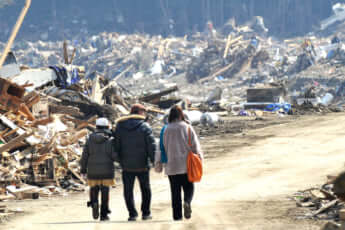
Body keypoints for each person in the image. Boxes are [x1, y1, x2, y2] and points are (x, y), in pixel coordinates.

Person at [155, 105, 203, 221]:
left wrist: (158, 164)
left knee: (175, 191)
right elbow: (195, 146)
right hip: (186, 165)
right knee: (189, 187)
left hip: (171, 166)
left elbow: (160, 148)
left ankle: (177, 216)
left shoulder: (165, 129)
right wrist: (200, 159)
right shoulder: (187, 127)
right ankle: (187, 201)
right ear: (181, 115)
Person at [114, 104, 156, 221]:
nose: (145, 114)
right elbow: (151, 146)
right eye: (144, 112)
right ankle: (146, 213)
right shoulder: (145, 127)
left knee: (128, 190)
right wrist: (154, 161)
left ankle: (132, 214)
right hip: (142, 165)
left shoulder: (120, 126)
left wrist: (120, 161)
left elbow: (115, 147)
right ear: (139, 112)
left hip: (126, 166)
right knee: (145, 189)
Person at [80, 117, 116, 221]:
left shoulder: (89, 139)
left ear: (96, 127)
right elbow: (114, 156)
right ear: (107, 127)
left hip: (92, 170)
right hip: (107, 170)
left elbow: (84, 156)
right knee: (105, 191)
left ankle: (94, 202)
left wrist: (83, 169)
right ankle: (104, 214)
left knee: (93, 188)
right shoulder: (110, 140)